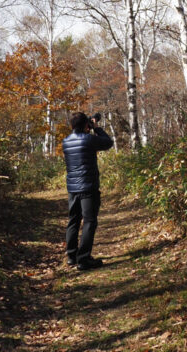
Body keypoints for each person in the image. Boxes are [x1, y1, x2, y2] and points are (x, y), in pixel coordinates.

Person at [62, 111, 113, 270]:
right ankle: (84, 259)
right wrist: (96, 128)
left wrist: (87, 126)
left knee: (74, 220)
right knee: (90, 221)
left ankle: (71, 256)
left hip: (73, 187)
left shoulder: (66, 141)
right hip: (88, 186)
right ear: (86, 125)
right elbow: (108, 143)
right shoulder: (88, 140)